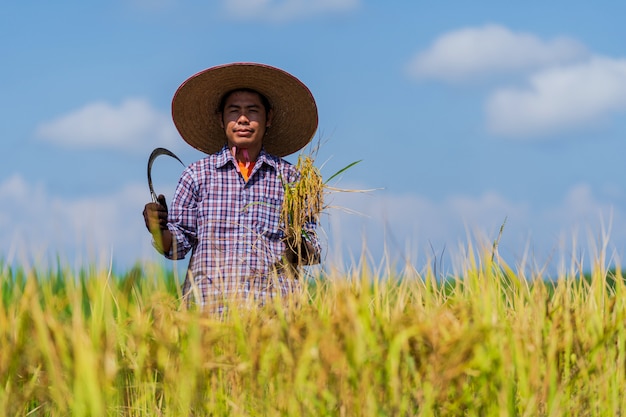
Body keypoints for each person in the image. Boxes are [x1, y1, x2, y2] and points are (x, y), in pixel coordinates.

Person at [142, 63, 322, 313]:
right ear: (221, 118)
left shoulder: (291, 180)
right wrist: (157, 229)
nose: (243, 119)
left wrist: (297, 246)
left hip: (273, 315)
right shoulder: (197, 176)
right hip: (208, 313)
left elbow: (311, 251)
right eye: (234, 111)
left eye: (252, 111)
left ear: (268, 118)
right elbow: (176, 246)